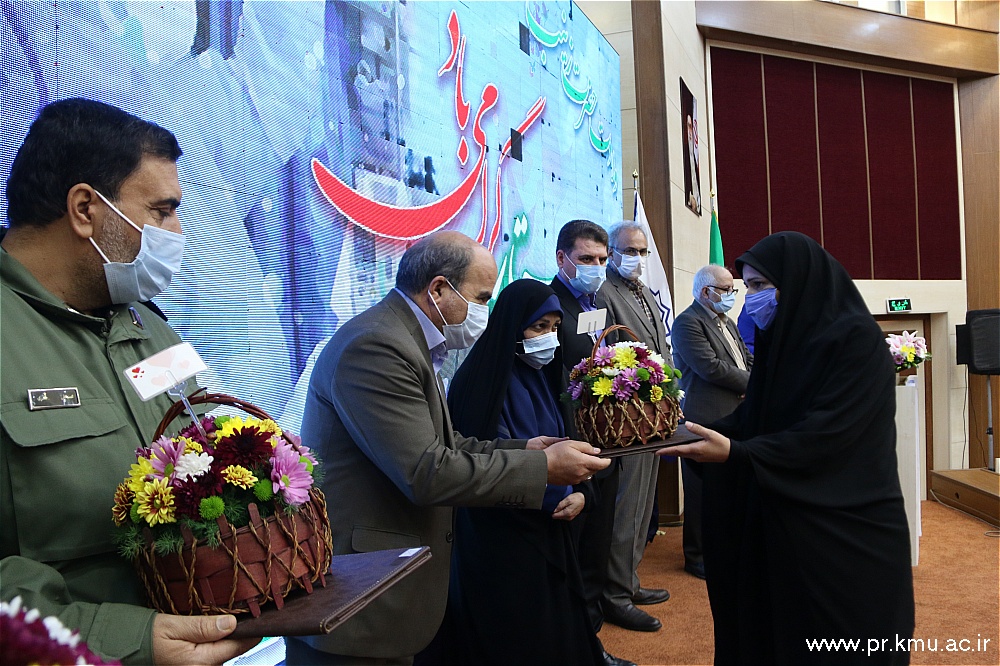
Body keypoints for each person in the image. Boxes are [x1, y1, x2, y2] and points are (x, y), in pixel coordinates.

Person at [0, 99, 258, 664]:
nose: (177, 232)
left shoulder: (152, 329)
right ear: (85, 210)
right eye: (162, 212)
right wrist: (128, 640)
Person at [289, 231, 609, 665]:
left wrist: (528, 450)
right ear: (439, 289)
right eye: (481, 299)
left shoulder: (405, 339)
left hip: (389, 580)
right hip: (360, 592)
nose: (485, 313)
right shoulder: (378, 345)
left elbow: (446, 443)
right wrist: (543, 469)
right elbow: (426, 470)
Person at [660, 232, 915, 665]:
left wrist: (737, 453)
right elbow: (754, 417)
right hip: (787, 526)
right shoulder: (782, 339)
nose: (750, 298)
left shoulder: (855, 340)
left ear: (797, 281)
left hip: (845, 529)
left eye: (760, 285)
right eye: (748, 286)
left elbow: (828, 436)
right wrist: (688, 434)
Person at [439, 279, 603, 666]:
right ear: (513, 326)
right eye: (538, 327)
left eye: (555, 327)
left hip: (552, 531)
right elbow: (473, 466)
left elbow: (571, 444)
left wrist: (580, 493)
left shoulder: (548, 376)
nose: (549, 338)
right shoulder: (478, 383)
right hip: (502, 540)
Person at [549, 220, 633, 666]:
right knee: (575, 559)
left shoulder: (597, 302)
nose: (596, 267)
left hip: (607, 445)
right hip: (567, 449)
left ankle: (593, 640)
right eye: (586, 259)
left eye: (602, 259)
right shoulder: (547, 307)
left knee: (598, 548)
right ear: (561, 258)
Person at [598, 221, 671, 632]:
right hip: (627, 419)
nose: (637, 258)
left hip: (654, 414)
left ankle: (630, 580)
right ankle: (615, 595)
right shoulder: (603, 292)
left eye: (642, 251)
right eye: (629, 250)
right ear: (611, 252)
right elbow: (605, 357)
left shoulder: (643, 290)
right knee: (626, 509)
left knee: (643, 507)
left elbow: (660, 349)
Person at [671, 265, 753, 580]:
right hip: (705, 417)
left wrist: (756, 380)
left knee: (727, 489)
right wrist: (751, 384)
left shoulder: (726, 321)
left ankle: (724, 548)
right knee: (701, 492)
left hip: (734, 414)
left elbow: (745, 359)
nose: (732, 295)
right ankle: (697, 556)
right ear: (706, 292)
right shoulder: (687, 322)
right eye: (726, 289)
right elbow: (711, 367)